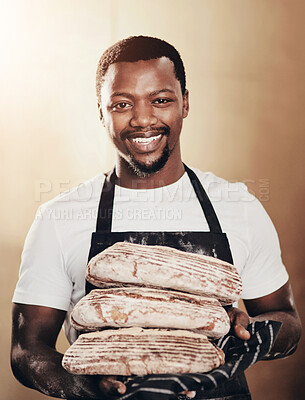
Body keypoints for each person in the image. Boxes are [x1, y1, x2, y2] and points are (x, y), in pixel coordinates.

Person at [11, 36, 301, 400]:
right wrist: (87, 387)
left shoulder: (238, 207)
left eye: (161, 100)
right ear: (101, 112)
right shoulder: (59, 218)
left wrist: (251, 334)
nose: (143, 119)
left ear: (185, 103)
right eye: (121, 104)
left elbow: (285, 320)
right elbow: (27, 351)